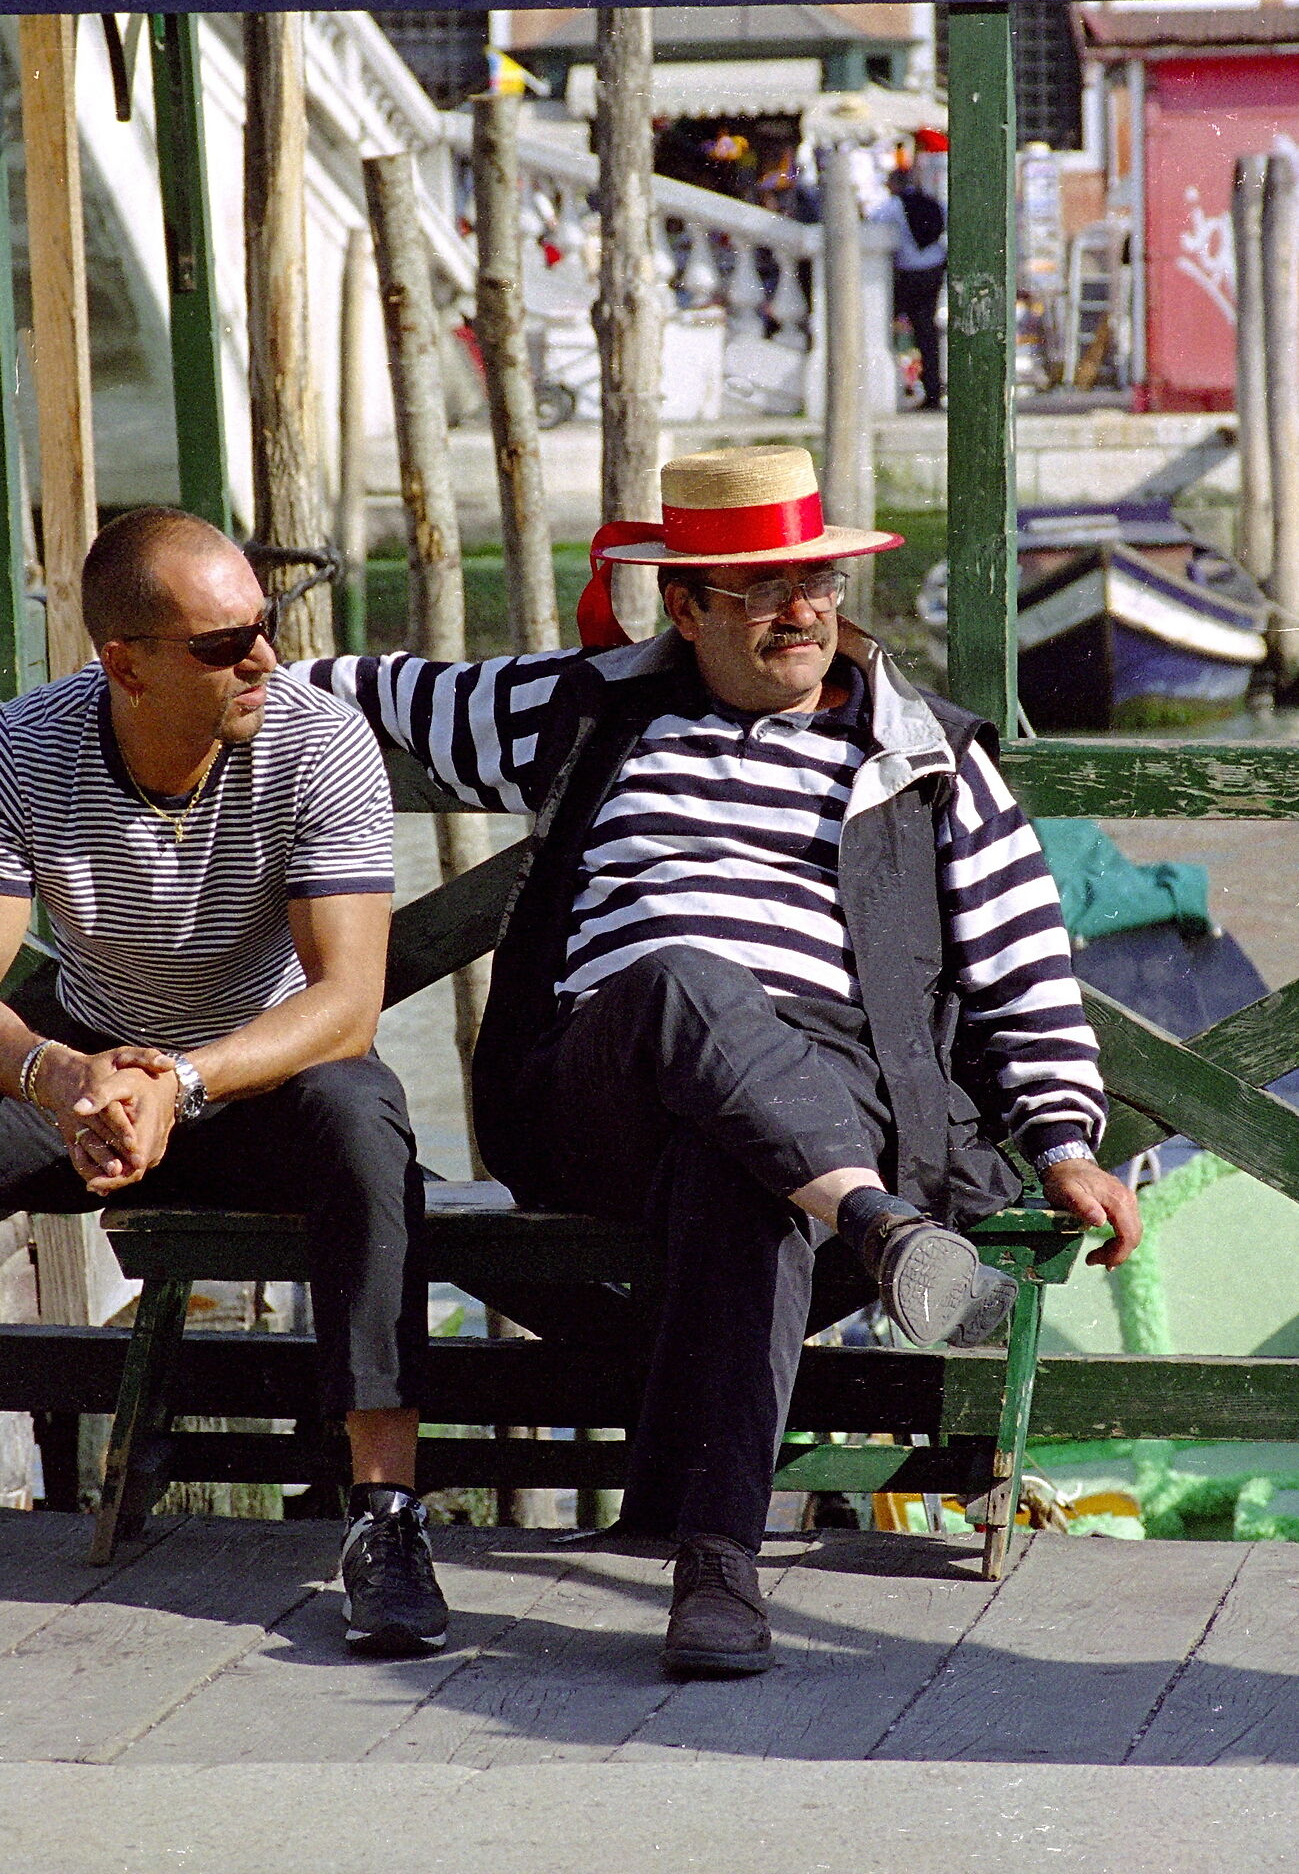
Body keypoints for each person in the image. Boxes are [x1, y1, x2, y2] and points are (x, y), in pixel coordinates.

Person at [297, 446, 1140, 1683]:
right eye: (759, 589)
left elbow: (1025, 971)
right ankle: (879, 1226)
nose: (801, 611)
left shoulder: (926, 754)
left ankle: (718, 1570)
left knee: (738, 1165)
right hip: (600, 1085)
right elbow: (345, 685)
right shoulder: (584, 707)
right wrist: (190, 667)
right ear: (682, 608)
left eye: (815, 582)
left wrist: (1066, 1143)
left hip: (835, 1087)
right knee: (689, 985)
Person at [0, 507, 449, 1659]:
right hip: (96, 1064)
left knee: (367, 1115)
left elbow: (345, 1000)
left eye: (264, 628)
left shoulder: (319, 742)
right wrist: (62, 1076)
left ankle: (385, 1517)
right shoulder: (21, 746)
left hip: (255, 1071)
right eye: (224, 646)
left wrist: (183, 1080)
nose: (262, 657)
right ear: (124, 662)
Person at [872, 162, 948, 409]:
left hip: (908, 273)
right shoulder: (932, 202)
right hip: (934, 267)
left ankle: (894, 383)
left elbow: (872, 226)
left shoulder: (894, 206)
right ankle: (933, 390)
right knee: (927, 331)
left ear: (893, 185)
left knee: (890, 324)